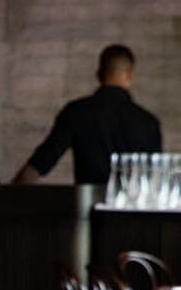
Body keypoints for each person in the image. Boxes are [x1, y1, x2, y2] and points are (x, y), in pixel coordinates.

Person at [13, 44, 162, 186]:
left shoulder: (76, 112)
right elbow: (155, 178)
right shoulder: (149, 123)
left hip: (87, 209)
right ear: (130, 75)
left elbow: (42, 161)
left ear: (98, 74)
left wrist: (5, 196)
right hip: (131, 210)